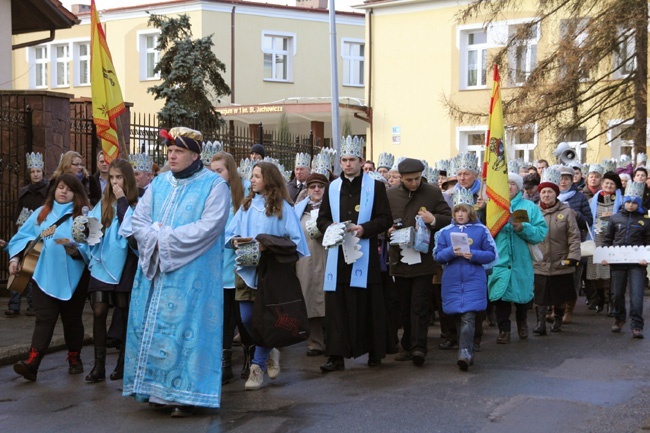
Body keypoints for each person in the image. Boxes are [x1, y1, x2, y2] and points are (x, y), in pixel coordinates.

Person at [123, 127, 231, 417]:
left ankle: (187, 395)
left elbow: (210, 226)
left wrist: (165, 237)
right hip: (157, 270)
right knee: (154, 330)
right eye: (169, 151)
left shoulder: (214, 186)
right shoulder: (158, 183)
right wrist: (153, 237)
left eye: (178, 151)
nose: (171, 156)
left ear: (195, 155)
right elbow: (139, 220)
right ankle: (157, 391)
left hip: (192, 274)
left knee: (185, 331)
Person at [225, 161, 309, 390]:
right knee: (247, 319)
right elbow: (230, 232)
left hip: (272, 271)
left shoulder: (283, 207)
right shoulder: (246, 205)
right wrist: (235, 241)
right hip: (247, 266)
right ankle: (270, 347)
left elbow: (296, 241)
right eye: (251, 176)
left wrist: (268, 245)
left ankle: (257, 366)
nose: (251, 180)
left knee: (266, 318)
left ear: (269, 179)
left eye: (256, 176)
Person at [317, 139, 394, 372]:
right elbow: (322, 219)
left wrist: (364, 229)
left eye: (352, 160)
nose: (348, 164)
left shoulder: (375, 187)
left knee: (368, 303)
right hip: (338, 256)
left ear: (361, 162)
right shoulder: (332, 188)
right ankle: (336, 356)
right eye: (344, 160)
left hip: (364, 254)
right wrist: (332, 227)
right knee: (337, 305)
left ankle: (374, 351)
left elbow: (385, 219)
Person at [7, 174, 90, 381]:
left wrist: (77, 251)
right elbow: (22, 237)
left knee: (72, 321)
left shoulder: (83, 217)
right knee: (44, 320)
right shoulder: (40, 214)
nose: (63, 191)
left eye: (68, 189)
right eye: (60, 187)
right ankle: (32, 362)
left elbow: (94, 245)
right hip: (43, 275)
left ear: (76, 194)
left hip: (75, 277)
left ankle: (74, 358)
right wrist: (15, 258)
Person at [387, 158, 451, 366]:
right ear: (401, 178)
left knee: (420, 304)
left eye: (416, 179)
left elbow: (447, 217)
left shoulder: (432, 192)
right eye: (408, 180)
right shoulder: (391, 195)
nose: (414, 183)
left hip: (423, 258)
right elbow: (382, 220)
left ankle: (419, 347)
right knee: (404, 305)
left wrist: (432, 219)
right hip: (400, 258)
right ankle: (406, 345)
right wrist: (387, 231)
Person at [84, 159, 138, 383]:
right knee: (98, 311)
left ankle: (123, 362)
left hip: (126, 261)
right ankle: (98, 366)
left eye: (119, 178)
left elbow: (133, 231)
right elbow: (92, 232)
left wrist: (122, 200)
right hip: (103, 262)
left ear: (127, 179)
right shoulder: (102, 204)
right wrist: (84, 232)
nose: (114, 182)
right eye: (111, 178)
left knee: (124, 314)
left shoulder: (136, 202)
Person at [434, 187, 497, 371]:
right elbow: (438, 256)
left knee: (469, 316)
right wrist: (450, 252)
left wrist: (473, 254)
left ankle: (464, 352)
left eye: (463, 211)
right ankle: (467, 349)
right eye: (457, 211)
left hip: (473, 278)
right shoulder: (446, 232)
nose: (460, 215)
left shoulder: (481, 230)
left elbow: (490, 254)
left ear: (470, 212)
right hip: (452, 279)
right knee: (457, 316)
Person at [488, 173, 548, 344]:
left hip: (521, 261)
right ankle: (504, 330)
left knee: (521, 297)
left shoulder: (529, 207)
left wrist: (523, 227)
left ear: (519, 187)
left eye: (513, 184)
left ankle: (522, 323)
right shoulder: (493, 206)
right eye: (505, 184)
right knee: (500, 296)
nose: (509, 187)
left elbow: (540, 233)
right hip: (500, 260)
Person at [210, 151, 253, 383]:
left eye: (220, 171)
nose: (216, 175)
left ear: (230, 170)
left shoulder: (244, 190)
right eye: (212, 171)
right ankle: (225, 363)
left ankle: (249, 353)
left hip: (238, 261)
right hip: (217, 261)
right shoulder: (210, 192)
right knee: (223, 316)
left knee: (242, 316)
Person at [533, 167, 581, 335]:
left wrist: (573, 256)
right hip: (539, 260)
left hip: (561, 260)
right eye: (544, 192)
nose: (546, 195)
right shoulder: (533, 212)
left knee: (560, 295)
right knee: (540, 296)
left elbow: (574, 237)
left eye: (550, 192)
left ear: (556, 194)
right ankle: (540, 324)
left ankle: (558, 318)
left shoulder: (567, 212)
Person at [601, 181, 650, 339]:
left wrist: (646, 258)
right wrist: (605, 256)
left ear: (639, 204)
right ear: (624, 202)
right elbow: (607, 240)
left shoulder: (645, 220)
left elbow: (648, 242)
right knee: (616, 294)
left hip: (637, 263)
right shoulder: (615, 219)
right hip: (617, 262)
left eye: (634, 203)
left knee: (636, 295)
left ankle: (637, 325)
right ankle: (619, 317)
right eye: (628, 202)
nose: (630, 205)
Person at [5, 152, 49, 318]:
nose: (36, 174)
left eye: (38, 171)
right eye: (32, 171)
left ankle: (32, 304)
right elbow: (18, 214)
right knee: (17, 268)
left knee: (32, 269)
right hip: (24, 232)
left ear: (42, 172)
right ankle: (14, 304)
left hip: (39, 233)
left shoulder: (47, 191)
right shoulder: (24, 192)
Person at [295, 170, 330, 357]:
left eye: (320, 186)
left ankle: (332, 339)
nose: (316, 189)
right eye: (312, 186)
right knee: (309, 300)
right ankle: (315, 342)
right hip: (306, 261)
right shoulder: (299, 210)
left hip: (328, 258)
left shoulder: (332, 207)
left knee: (328, 300)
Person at [557, 165, 593, 322]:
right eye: (560, 178)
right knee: (556, 277)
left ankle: (568, 310)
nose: (563, 182)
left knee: (573, 278)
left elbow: (588, 221)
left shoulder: (579, 197)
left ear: (572, 180)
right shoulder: (550, 195)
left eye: (566, 179)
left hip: (575, 243)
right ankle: (555, 309)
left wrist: (577, 214)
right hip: (556, 243)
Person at [585, 171, 623, 315]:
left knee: (611, 271)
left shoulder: (621, 201)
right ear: (602, 183)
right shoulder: (593, 200)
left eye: (611, 184)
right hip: (596, 238)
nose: (608, 186)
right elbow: (588, 217)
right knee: (596, 271)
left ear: (616, 187)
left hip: (614, 239)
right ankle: (600, 297)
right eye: (606, 183)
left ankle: (611, 301)